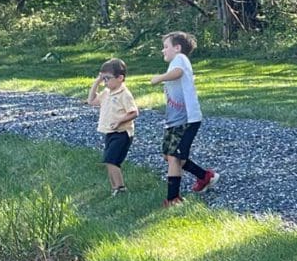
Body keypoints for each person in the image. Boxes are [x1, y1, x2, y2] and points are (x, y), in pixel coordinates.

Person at [149, 31, 219, 207]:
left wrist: (160, 78)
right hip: (174, 120)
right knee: (169, 155)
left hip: (187, 119)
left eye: (166, 47)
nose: (163, 50)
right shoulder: (174, 62)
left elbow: (178, 73)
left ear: (177, 48)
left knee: (174, 157)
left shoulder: (180, 59)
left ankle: (173, 199)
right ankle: (204, 176)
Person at [87, 58, 139, 196]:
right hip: (109, 132)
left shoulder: (124, 94)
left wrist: (119, 121)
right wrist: (96, 82)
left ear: (120, 78)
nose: (105, 82)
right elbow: (91, 101)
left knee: (111, 160)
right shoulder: (106, 92)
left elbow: (134, 112)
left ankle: (121, 188)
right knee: (108, 161)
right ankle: (115, 188)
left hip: (122, 133)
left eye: (108, 78)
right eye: (103, 79)